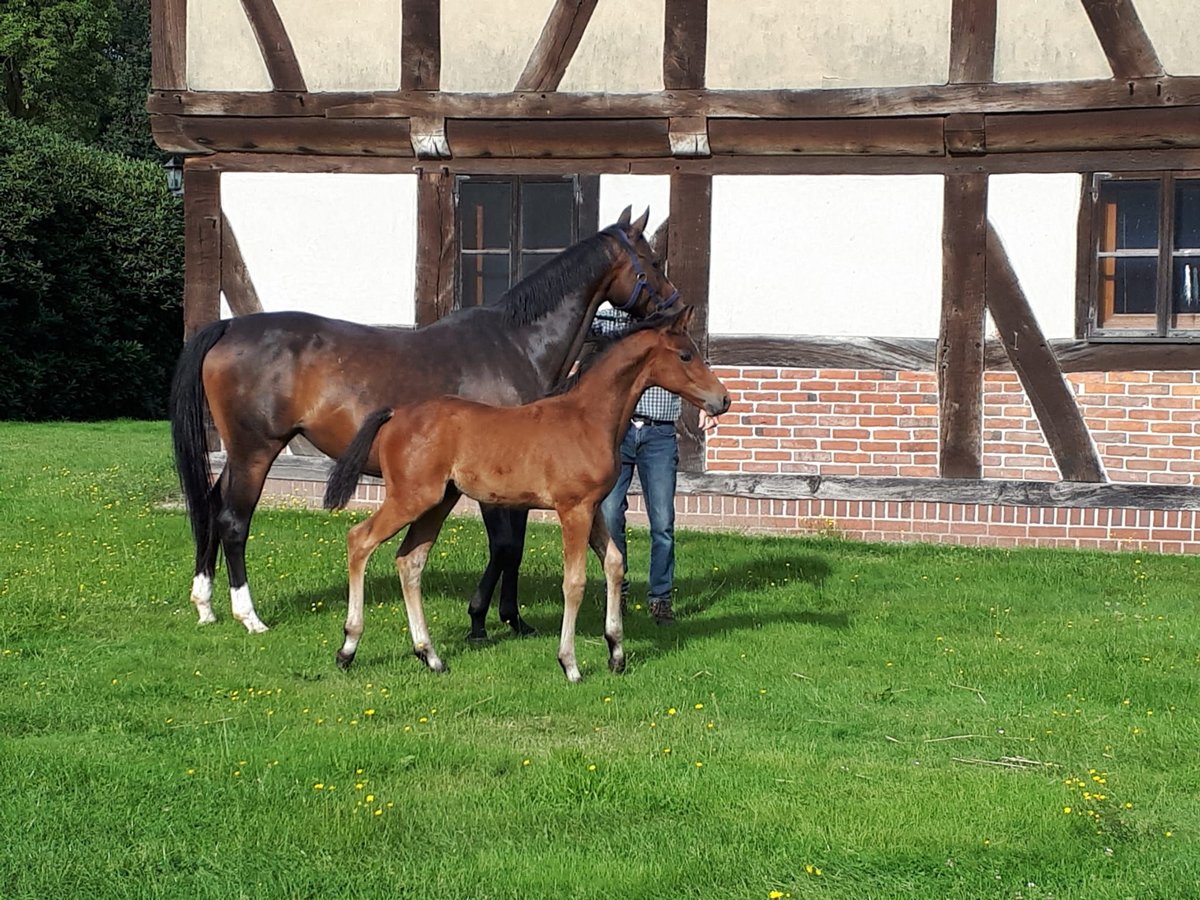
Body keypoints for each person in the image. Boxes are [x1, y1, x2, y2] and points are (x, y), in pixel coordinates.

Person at [592, 306, 719, 624]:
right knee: (609, 514)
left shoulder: (669, 328)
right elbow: (581, 326)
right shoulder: (615, 322)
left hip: (659, 433)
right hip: (618, 432)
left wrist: (708, 405)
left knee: (662, 522)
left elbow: (693, 364)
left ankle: (660, 598)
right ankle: (616, 590)